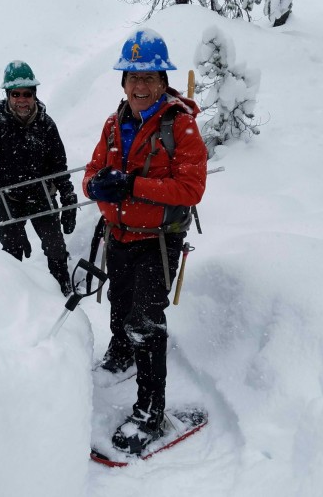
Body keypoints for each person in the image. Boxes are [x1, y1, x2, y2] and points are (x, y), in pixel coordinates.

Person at [82, 29, 208, 455]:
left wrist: (133, 184)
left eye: (149, 77)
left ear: (162, 81)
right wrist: (98, 184)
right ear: (123, 81)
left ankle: (151, 413)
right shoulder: (114, 124)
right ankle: (121, 354)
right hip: (117, 234)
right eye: (132, 76)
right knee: (120, 303)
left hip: (158, 241)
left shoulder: (181, 126)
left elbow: (190, 190)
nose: (139, 85)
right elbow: (90, 177)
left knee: (145, 322)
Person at [0, 60, 77, 296]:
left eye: (27, 94)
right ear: (8, 95)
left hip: (42, 194)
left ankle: (63, 289)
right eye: (16, 94)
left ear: (34, 95)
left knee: (56, 248)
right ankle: (15, 300)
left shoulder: (46, 125)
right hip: (9, 196)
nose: (22, 99)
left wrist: (68, 197)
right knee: (11, 249)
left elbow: (58, 165)